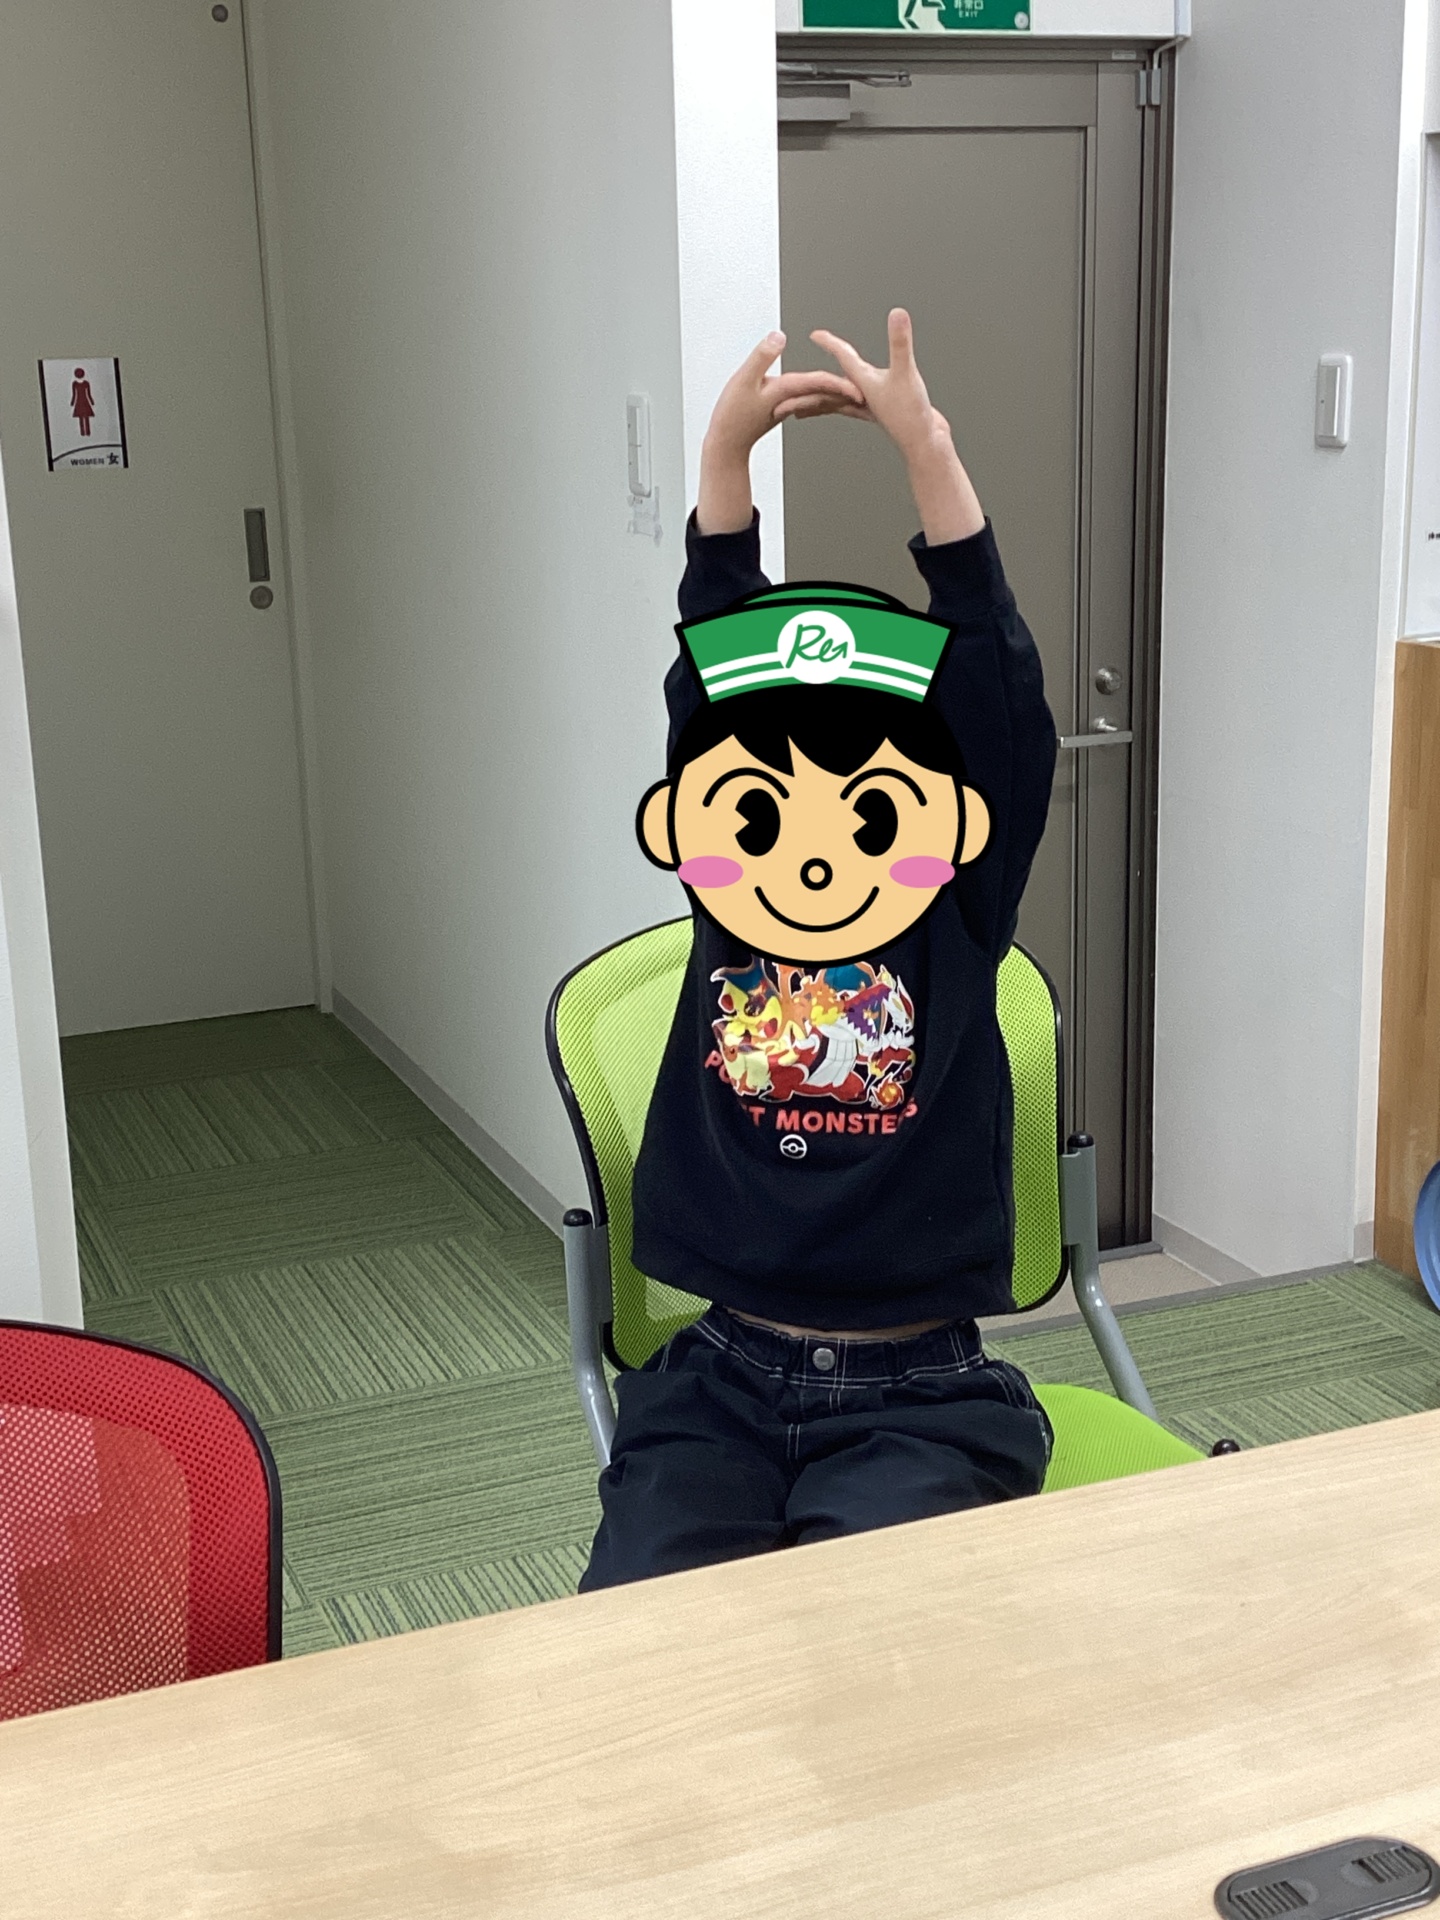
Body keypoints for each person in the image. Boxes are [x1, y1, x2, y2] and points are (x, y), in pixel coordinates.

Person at [580, 311, 1057, 1591]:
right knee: (638, 1632)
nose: (807, 857)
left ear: (951, 823)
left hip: (923, 1396)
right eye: (760, 818)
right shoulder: (728, 902)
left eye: (865, 816)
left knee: (867, 1646)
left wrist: (931, 457)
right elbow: (708, 688)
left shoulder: (957, 907)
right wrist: (722, 470)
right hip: (718, 1379)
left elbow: (1000, 700)